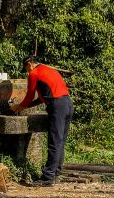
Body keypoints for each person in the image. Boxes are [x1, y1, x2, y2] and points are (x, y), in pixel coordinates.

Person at [12, 56, 74, 186]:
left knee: (54, 141)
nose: (27, 71)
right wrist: (25, 106)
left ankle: (48, 177)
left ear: (29, 64)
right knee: (60, 141)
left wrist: (18, 107)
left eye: (26, 68)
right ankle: (55, 173)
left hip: (57, 106)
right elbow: (41, 98)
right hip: (68, 103)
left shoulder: (34, 73)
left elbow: (29, 95)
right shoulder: (49, 70)